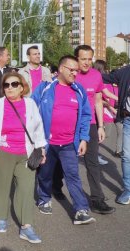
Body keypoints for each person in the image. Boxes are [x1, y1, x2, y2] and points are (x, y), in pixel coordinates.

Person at [0, 72, 46, 243]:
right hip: (3, 151)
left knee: (26, 188)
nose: (10, 88)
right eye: (6, 85)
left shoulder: (30, 104)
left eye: (14, 84)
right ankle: (2, 216)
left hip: (26, 153)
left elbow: (38, 128)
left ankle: (26, 226)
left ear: (22, 87)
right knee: (1, 186)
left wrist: (41, 149)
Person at [31, 55, 96, 225]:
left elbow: (86, 116)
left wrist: (83, 138)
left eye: (77, 70)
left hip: (69, 144)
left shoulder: (79, 90)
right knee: (45, 174)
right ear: (61, 69)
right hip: (47, 143)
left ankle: (81, 210)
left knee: (73, 176)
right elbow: (31, 110)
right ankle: (44, 198)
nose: (75, 73)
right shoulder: (45, 88)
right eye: (71, 69)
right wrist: (36, 141)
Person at [73, 45, 115, 214]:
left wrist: (100, 126)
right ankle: (54, 186)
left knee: (92, 162)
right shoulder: (71, 74)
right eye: (83, 59)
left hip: (89, 124)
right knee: (64, 162)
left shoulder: (96, 75)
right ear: (76, 59)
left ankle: (97, 199)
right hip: (69, 124)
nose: (87, 62)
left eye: (89, 59)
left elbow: (98, 101)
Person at [103, 64, 130, 204]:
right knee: (126, 156)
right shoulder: (125, 71)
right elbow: (104, 78)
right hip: (128, 120)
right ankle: (128, 189)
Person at [94, 60, 122, 157]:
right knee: (102, 134)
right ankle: (92, 152)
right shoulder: (97, 80)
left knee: (118, 131)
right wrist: (110, 107)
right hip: (101, 112)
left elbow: (107, 94)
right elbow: (97, 100)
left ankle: (118, 151)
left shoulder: (104, 82)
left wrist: (121, 99)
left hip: (111, 112)